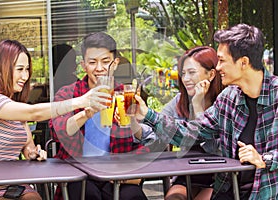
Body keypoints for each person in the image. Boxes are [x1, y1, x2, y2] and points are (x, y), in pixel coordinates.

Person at [135, 23, 278, 200]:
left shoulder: (276, 95)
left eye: (222, 60)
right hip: (228, 191)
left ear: (243, 63)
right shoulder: (228, 98)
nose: (217, 68)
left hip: (266, 193)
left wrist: (264, 159)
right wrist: (147, 114)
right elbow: (191, 133)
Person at [0, 39, 110, 200]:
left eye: (27, 69)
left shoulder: (16, 107)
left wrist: (34, 153)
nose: (25, 76)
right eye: (20, 69)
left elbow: (28, 148)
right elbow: (34, 113)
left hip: (13, 184)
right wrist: (81, 101)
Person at [49, 32, 149, 200]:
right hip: (79, 173)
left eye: (105, 61)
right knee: (87, 194)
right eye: (92, 62)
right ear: (83, 65)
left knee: (133, 197)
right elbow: (57, 132)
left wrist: (132, 172)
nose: (99, 68)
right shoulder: (68, 94)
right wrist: (87, 113)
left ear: (115, 63)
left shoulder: (125, 96)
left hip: (116, 175)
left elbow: (143, 141)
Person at [162, 46, 223, 200]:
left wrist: (197, 106)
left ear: (211, 74)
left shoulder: (225, 102)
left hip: (219, 177)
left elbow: (214, 148)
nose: (186, 78)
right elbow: (159, 124)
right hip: (188, 176)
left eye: (191, 72)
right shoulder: (179, 101)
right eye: (183, 73)